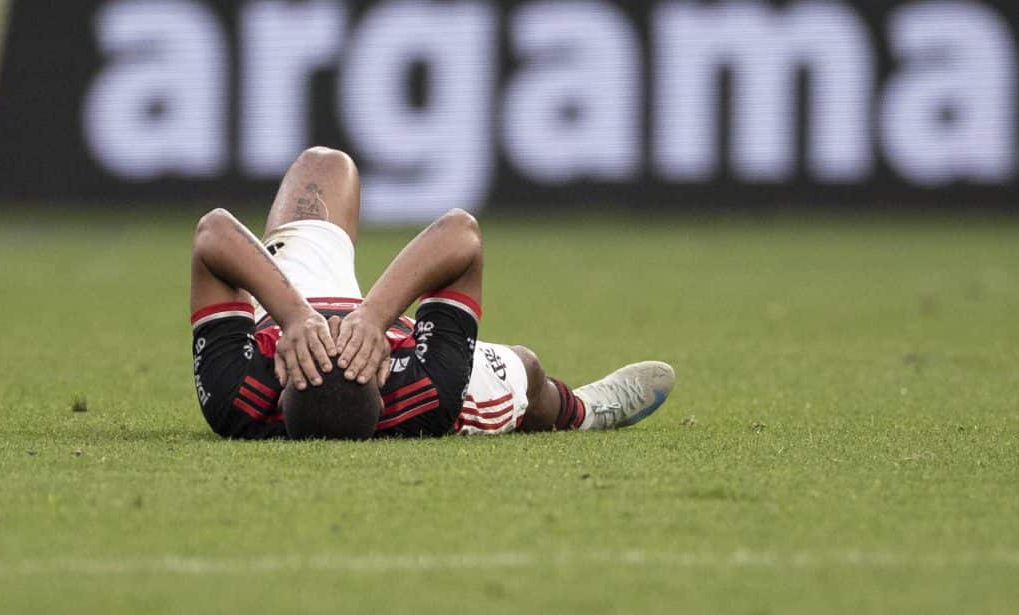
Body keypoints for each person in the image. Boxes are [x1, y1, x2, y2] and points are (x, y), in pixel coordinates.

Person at [190, 147, 675, 441]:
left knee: (325, 166)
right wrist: (374, 320)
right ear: (383, 389)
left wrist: (294, 317)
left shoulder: (238, 396)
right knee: (525, 371)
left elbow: (212, 231)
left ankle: (300, 312)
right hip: (393, 336)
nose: (338, 335)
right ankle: (585, 411)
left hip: (294, 305)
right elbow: (461, 232)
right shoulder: (426, 393)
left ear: (284, 375)